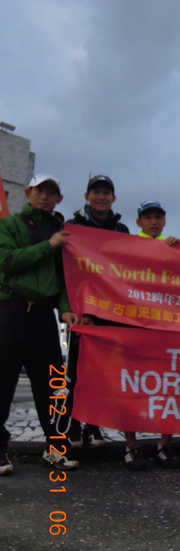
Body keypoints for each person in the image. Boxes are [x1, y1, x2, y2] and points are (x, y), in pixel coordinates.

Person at [0, 174, 79, 475]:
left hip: (44, 316)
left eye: (52, 192)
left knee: (53, 385)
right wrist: (49, 245)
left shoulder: (62, 232)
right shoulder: (8, 225)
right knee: (3, 382)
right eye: (40, 190)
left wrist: (65, 310)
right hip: (10, 309)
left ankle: (56, 447)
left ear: (59, 199)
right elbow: (7, 262)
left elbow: (62, 278)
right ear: (28, 192)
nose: (45, 196)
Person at [64, 175, 129, 449]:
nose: (101, 197)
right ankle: (71, 426)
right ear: (86, 196)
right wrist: (67, 309)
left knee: (103, 371)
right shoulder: (72, 227)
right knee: (76, 371)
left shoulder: (122, 230)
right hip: (81, 312)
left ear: (113, 198)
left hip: (110, 312)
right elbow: (64, 272)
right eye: (96, 192)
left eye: (106, 193)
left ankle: (93, 425)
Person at [122, 200, 180, 471]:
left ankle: (164, 446)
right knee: (131, 387)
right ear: (139, 222)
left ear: (165, 220)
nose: (154, 221)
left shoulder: (173, 247)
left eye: (158, 216)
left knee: (169, 387)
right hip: (134, 327)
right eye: (147, 217)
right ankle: (131, 447)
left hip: (165, 329)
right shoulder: (127, 247)